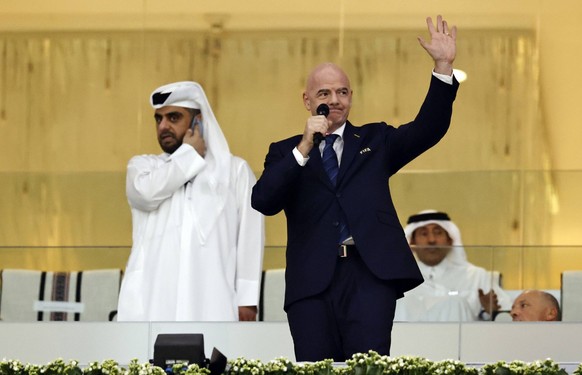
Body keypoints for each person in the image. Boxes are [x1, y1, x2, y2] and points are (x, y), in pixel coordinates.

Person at [251, 15, 459, 361]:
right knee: (315, 369)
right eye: (325, 93)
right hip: (311, 283)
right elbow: (263, 200)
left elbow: (428, 128)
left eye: (342, 92)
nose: (335, 100)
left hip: (370, 277)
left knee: (369, 368)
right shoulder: (285, 150)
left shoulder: (376, 140)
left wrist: (443, 67)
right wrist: (304, 147)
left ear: (351, 97)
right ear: (307, 100)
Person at [117, 81, 264, 321]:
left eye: (173, 117)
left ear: (199, 122)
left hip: (213, 300)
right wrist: (189, 154)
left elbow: (250, 238)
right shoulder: (143, 167)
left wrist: (247, 301)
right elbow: (145, 195)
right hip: (153, 302)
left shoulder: (234, 171)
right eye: (159, 119)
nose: (163, 126)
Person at [397, 210, 512, 321]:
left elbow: (508, 313)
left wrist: (490, 312)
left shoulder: (476, 276)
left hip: (463, 340)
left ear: (450, 241)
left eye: (438, 233)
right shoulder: (401, 278)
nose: (431, 240)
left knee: (455, 303)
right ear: (411, 242)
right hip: (410, 339)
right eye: (424, 234)